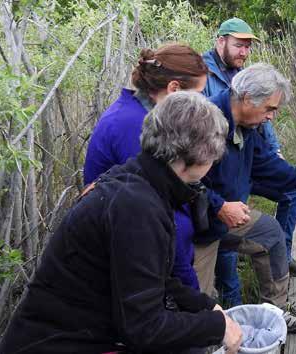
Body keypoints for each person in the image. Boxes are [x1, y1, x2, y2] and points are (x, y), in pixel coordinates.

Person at [0, 92, 242, 354]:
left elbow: (152, 278)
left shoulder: (140, 180)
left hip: (81, 331)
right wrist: (215, 327)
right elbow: (143, 327)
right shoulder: (137, 208)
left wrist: (205, 307)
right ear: (198, 156)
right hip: (53, 343)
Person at [200, 63, 296, 333]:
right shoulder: (206, 123)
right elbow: (183, 183)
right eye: (270, 109)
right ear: (247, 98)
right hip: (196, 227)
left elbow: (264, 163)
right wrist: (219, 206)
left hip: (229, 215)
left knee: (271, 235)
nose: (272, 117)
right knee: (198, 303)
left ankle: (274, 313)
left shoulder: (248, 127)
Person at [83, 44, 207, 291]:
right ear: (174, 88)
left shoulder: (139, 114)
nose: (202, 101)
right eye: (199, 94)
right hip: (126, 256)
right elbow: (166, 215)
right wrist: (190, 290)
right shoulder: (133, 127)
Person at [201, 18, 296, 292]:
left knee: (289, 198)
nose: (244, 52)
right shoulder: (204, 95)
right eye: (239, 45)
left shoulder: (249, 106)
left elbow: (261, 141)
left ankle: (279, 281)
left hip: (237, 174)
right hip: (206, 206)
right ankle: (230, 299)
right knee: (203, 292)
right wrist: (221, 205)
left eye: (248, 47)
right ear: (220, 41)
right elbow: (186, 181)